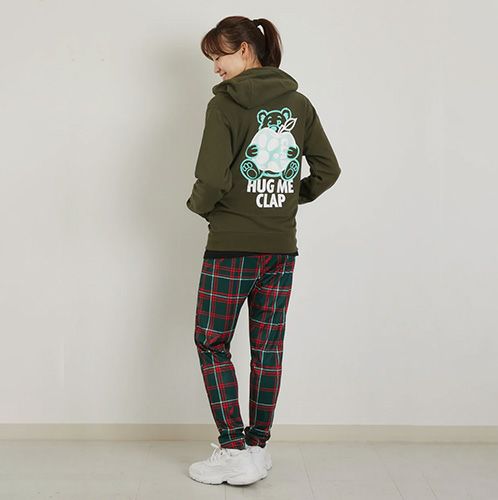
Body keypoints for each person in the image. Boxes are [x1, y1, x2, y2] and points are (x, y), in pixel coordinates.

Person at [186, 15, 341, 486]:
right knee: (267, 347)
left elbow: (211, 178)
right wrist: (290, 197)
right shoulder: (299, 103)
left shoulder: (225, 104)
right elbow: (328, 169)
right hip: (280, 247)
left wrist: (199, 205)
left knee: (212, 342)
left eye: (219, 55)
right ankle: (258, 447)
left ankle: (234, 450)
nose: (216, 67)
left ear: (245, 50)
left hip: (231, 248)